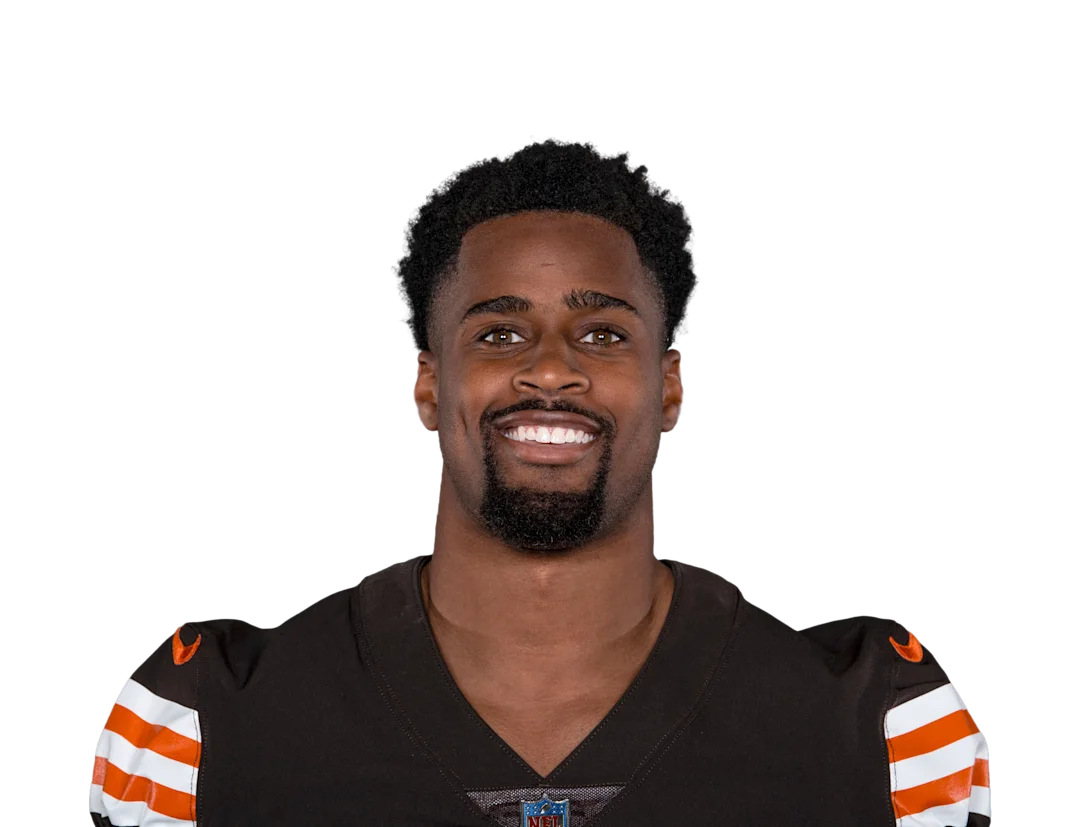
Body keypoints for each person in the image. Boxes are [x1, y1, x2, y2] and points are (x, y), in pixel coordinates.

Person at [88, 136, 990, 825]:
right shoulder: (204, 723)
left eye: (602, 334)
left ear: (670, 385)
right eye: (499, 332)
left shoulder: (880, 728)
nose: (551, 369)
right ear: (429, 385)